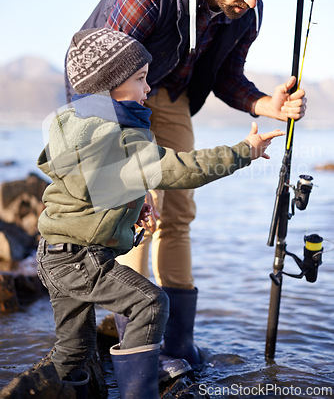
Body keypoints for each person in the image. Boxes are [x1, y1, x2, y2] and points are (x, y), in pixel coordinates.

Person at [64, 0, 306, 369]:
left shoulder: (246, 11)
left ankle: (176, 344)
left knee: (179, 210)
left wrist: (265, 104)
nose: (254, 0)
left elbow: (226, 77)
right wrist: (120, 169)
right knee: (134, 212)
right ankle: (133, 338)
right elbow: (96, 77)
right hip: (112, 93)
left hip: (169, 92)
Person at [38, 28, 284, 398]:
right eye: (140, 79)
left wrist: (136, 198)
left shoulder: (79, 127)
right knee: (150, 302)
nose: (148, 89)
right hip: (80, 260)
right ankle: (141, 391)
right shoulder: (119, 138)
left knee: (75, 349)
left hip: (52, 254)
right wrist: (243, 151)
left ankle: (60, 391)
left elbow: (95, 190)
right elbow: (183, 169)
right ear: (109, 87)